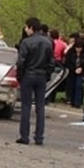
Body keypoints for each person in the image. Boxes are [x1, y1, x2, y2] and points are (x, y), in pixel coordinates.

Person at [16, 17, 54, 145]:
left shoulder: (26, 42)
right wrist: (47, 75)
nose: (25, 29)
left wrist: (20, 76)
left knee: (26, 106)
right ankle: (39, 136)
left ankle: (24, 135)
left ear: (31, 27)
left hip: (28, 75)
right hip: (41, 76)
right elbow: (51, 62)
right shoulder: (48, 42)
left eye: (26, 27)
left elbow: (21, 62)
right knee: (40, 106)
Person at [63, 34, 84, 108]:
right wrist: (74, 69)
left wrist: (82, 68)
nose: (78, 50)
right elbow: (67, 62)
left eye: (80, 48)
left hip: (81, 71)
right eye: (77, 48)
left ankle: (78, 102)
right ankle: (72, 101)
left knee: (78, 85)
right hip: (72, 71)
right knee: (72, 86)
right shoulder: (70, 52)